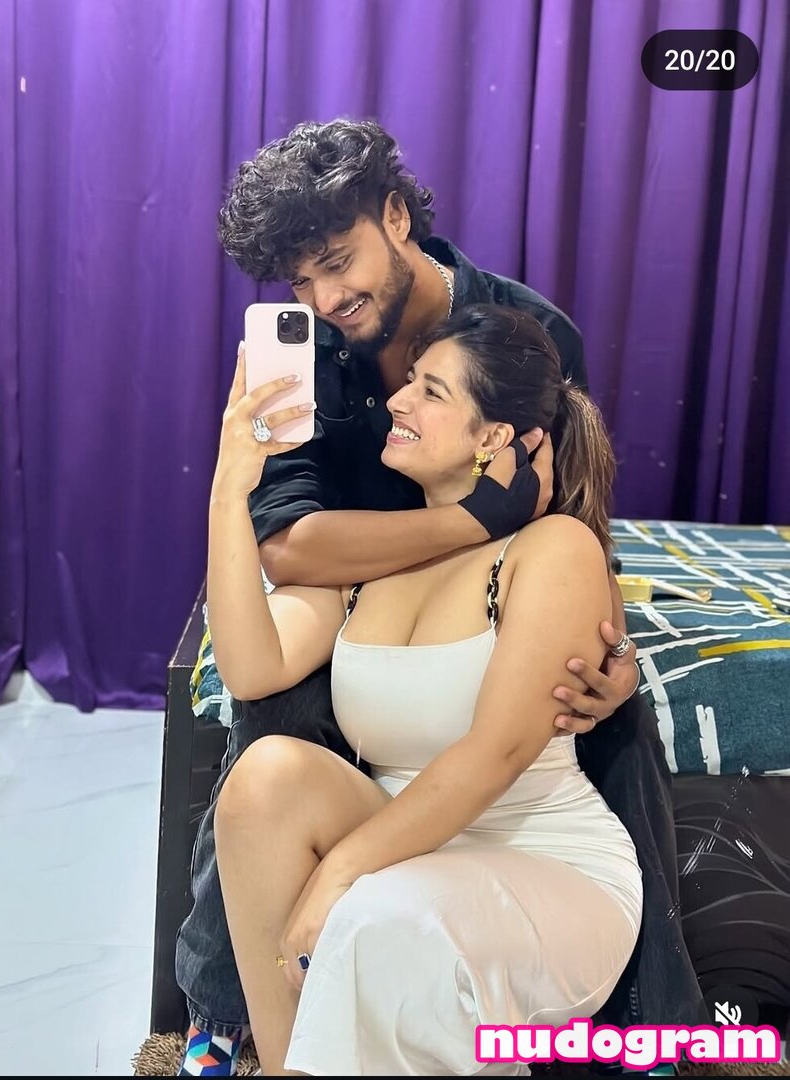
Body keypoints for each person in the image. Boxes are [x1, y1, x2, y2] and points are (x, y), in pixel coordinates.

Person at [174, 119, 703, 1076]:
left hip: (502, 583)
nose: (323, 299)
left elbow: (570, 513)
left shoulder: (526, 332)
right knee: (272, 725)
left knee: (606, 719)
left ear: (395, 216)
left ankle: (646, 1030)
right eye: (298, 282)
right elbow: (290, 548)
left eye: (337, 263)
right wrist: (463, 524)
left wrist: (611, 645)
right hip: (360, 581)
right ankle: (237, 1011)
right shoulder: (309, 357)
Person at [209, 303, 643, 1076]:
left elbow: (494, 754)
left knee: (378, 917)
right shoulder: (377, 556)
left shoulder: (552, 549)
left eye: (431, 390)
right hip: (404, 845)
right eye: (409, 380)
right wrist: (228, 487)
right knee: (264, 779)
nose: (399, 400)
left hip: (537, 859)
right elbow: (250, 667)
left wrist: (338, 875)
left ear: (493, 438)